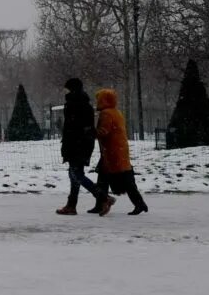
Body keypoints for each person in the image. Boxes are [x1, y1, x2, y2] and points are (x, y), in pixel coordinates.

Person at [57, 78, 107, 216]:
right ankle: (71, 205)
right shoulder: (83, 103)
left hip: (76, 144)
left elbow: (73, 127)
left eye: (67, 88)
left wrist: (69, 143)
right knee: (74, 174)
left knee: (76, 174)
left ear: (72, 89)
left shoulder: (74, 104)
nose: (64, 91)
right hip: (83, 143)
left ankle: (103, 198)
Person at [94, 88, 147, 215]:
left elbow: (104, 132)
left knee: (124, 180)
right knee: (104, 177)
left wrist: (91, 132)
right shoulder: (116, 112)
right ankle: (100, 203)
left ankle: (139, 204)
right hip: (119, 150)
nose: (97, 102)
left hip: (112, 152)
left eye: (98, 99)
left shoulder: (106, 113)